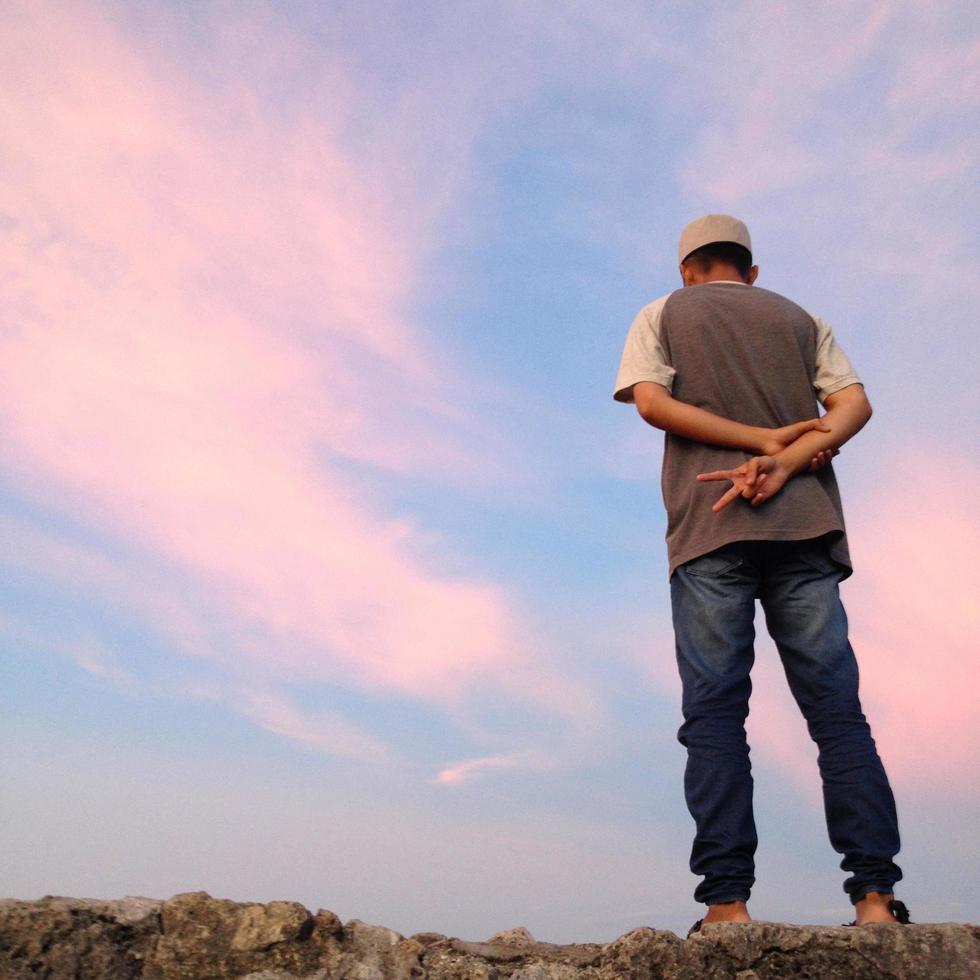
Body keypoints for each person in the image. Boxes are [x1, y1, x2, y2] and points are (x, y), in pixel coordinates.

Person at [612, 215, 906, 929]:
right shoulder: (800, 319)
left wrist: (753, 445)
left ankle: (727, 904)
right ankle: (873, 898)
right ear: (751, 269)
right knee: (836, 714)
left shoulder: (663, 312)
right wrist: (787, 451)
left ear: (687, 269)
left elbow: (652, 403)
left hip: (710, 527)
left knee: (715, 714)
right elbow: (854, 405)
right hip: (803, 526)